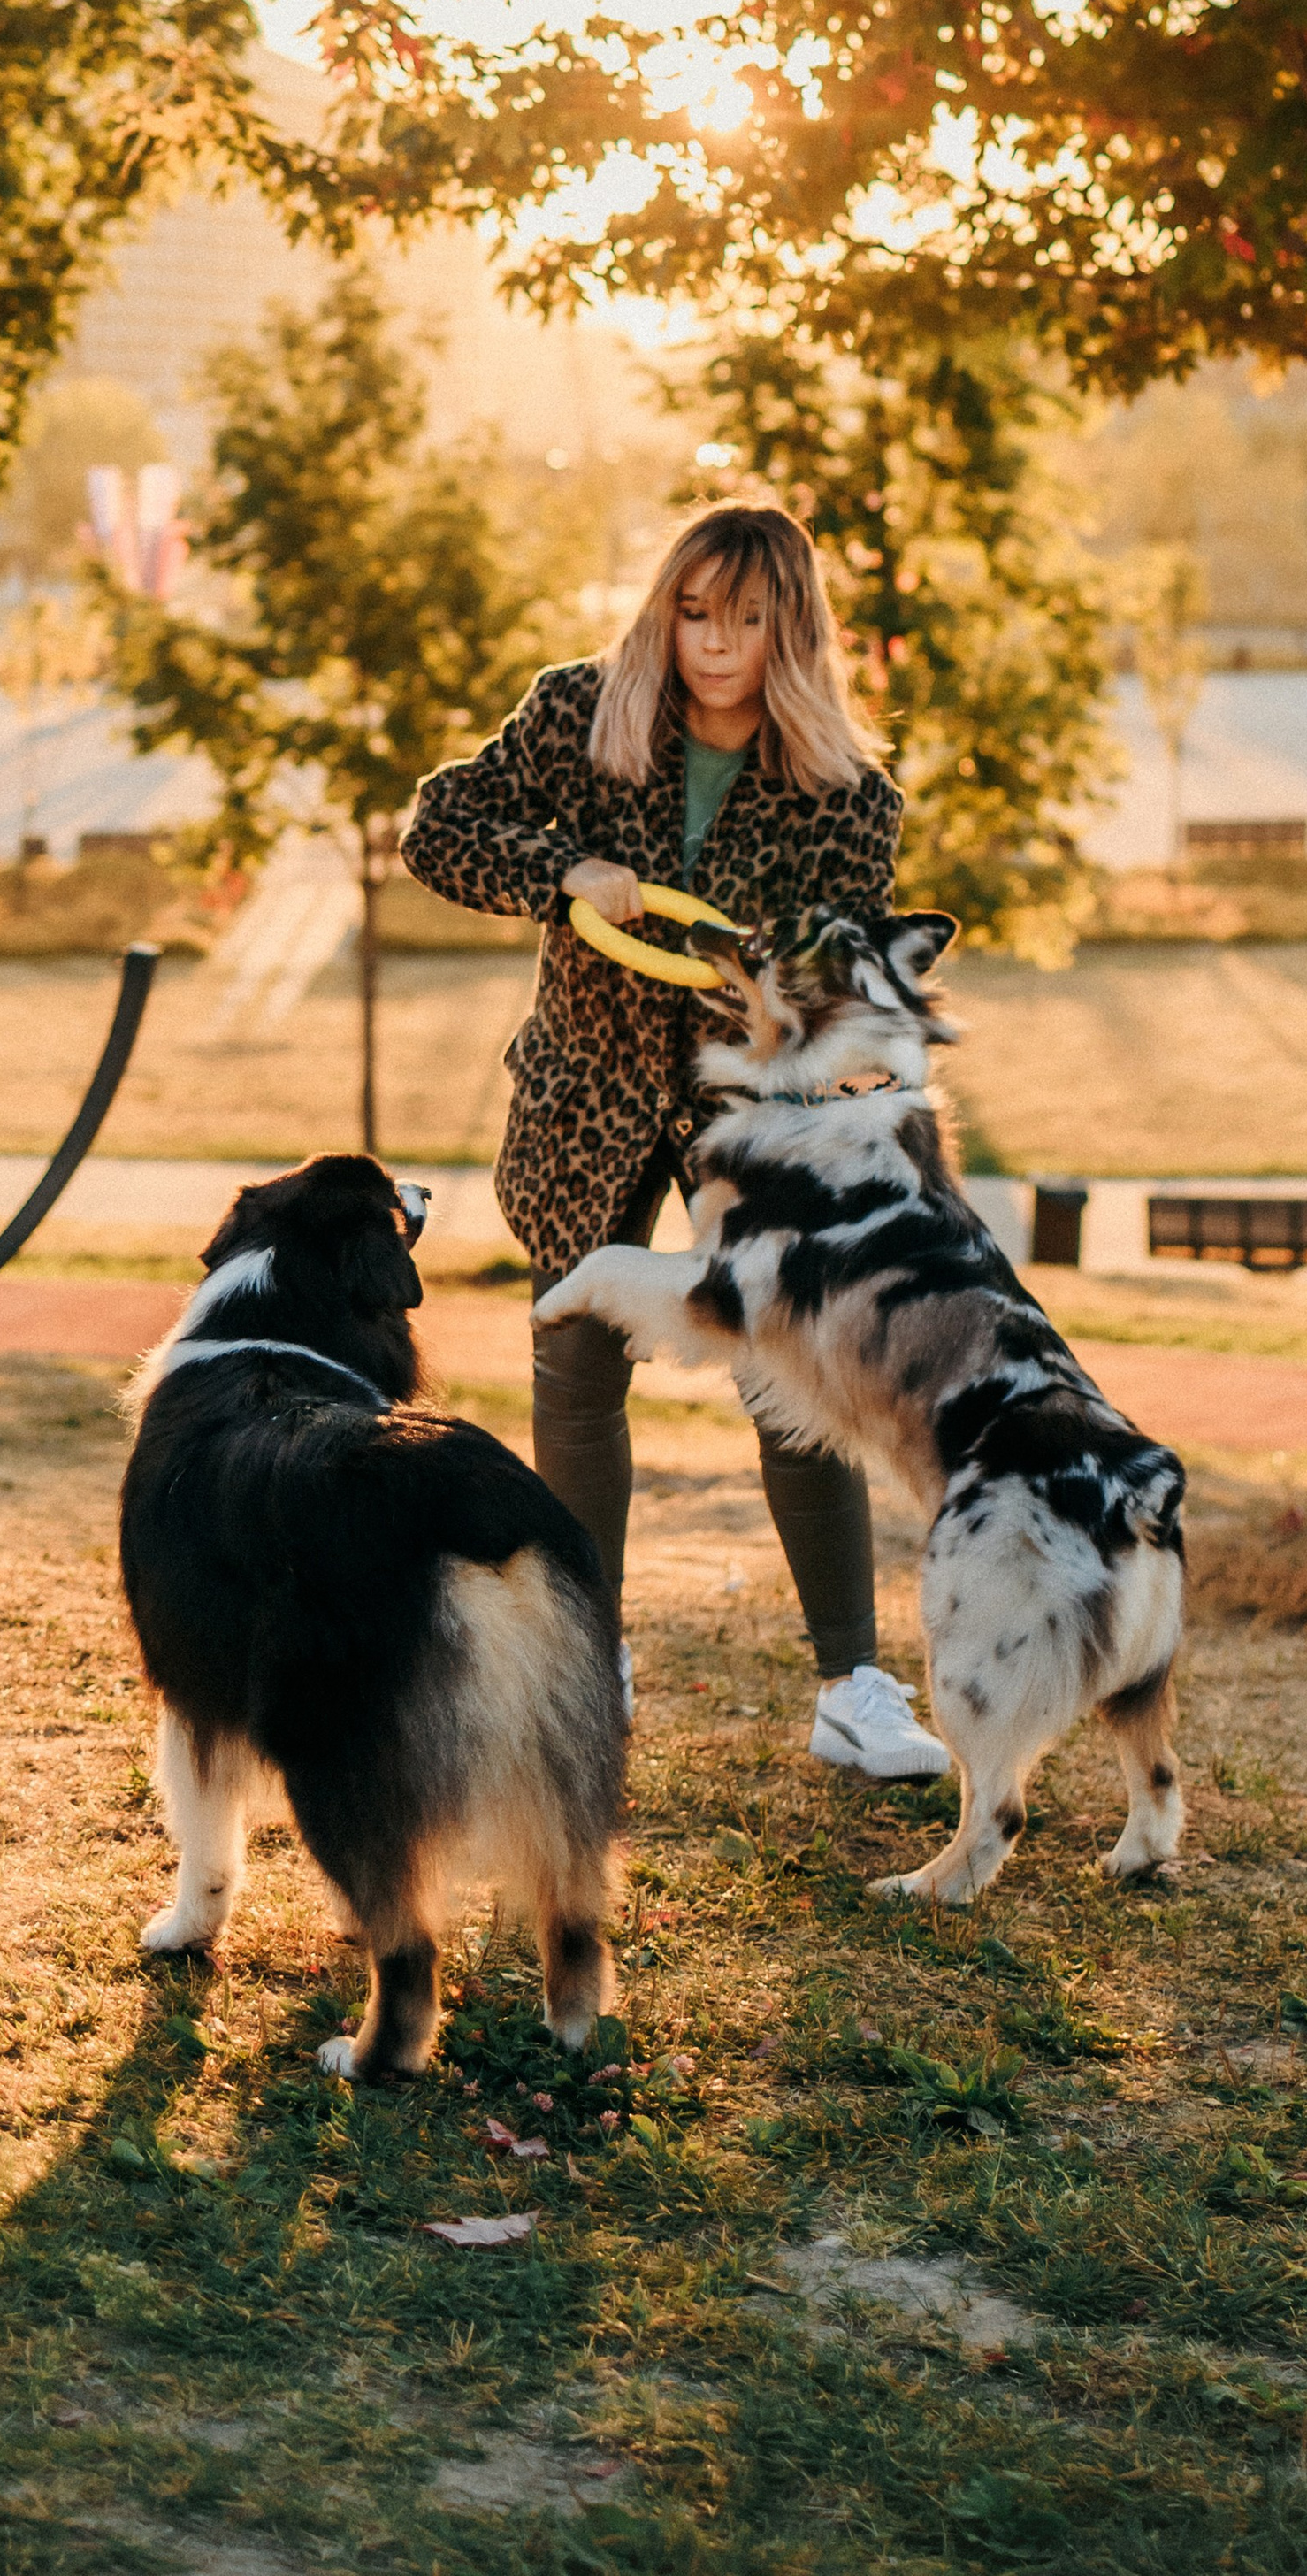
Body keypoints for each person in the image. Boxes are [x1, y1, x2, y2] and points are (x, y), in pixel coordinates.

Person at [401, 501, 950, 1782]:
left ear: (789, 628)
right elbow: (438, 827)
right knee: (579, 1362)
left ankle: (850, 1683)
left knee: (789, 1379)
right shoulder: (578, 713)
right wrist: (563, 871)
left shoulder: (848, 796)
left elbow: (833, 977)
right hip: (586, 1091)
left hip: (741, 1106)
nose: (714, 643)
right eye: (694, 612)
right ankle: (589, 1656)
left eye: (747, 620)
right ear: (666, 607)